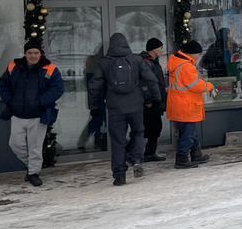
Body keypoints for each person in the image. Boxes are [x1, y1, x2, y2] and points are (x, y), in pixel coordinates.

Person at [88, 32, 162, 186]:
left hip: (115, 108)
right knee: (139, 132)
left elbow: (95, 87)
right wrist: (156, 98)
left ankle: (119, 175)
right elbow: (151, 80)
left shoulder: (104, 63)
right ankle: (136, 159)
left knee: (118, 140)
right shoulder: (136, 60)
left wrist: (94, 106)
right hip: (135, 105)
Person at [0, 39, 64, 187]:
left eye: (36, 53)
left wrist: (41, 101)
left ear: (40, 54)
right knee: (15, 144)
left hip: (38, 116)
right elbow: (3, 85)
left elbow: (58, 88)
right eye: (30, 53)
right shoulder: (13, 67)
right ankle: (31, 166)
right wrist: (10, 101)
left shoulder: (50, 69)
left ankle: (33, 173)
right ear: (25, 54)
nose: (33, 56)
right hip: (17, 114)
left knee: (35, 146)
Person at [166, 40, 216, 168]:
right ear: (192, 54)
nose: (199, 57)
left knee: (190, 133)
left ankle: (196, 154)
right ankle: (181, 159)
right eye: (198, 54)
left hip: (180, 104)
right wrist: (209, 86)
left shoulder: (178, 63)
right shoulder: (186, 66)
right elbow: (196, 85)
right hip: (186, 105)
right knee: (188, 134)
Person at [140, 38, 169, 162]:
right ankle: (137, 153)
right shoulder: (146, 62)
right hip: (150, 103)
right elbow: (145, 83)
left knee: (155, 128)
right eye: (161, 48)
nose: (162, 50)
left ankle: (149, 152)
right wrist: (148, 100)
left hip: (156, 100)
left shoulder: (154, 62)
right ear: (154, 49)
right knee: (149, 128)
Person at [77, 45, 107, 151]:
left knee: (99, 121)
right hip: (99, 98)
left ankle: (98, 141)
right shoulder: (98, 63)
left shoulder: (94, 62)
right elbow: (93, 86)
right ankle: (88, 141)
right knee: (98, 121)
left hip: (98, 98)